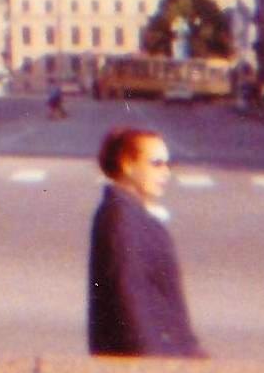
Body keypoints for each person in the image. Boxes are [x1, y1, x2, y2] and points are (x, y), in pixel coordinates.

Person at [87, 127, 205, 358]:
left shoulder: (133, 213)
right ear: (127, 165)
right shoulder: (121, 219)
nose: (166, 173)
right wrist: (155, 371)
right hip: (150, 364)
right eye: (156, 164)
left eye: (168, 165)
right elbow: (131, 304)